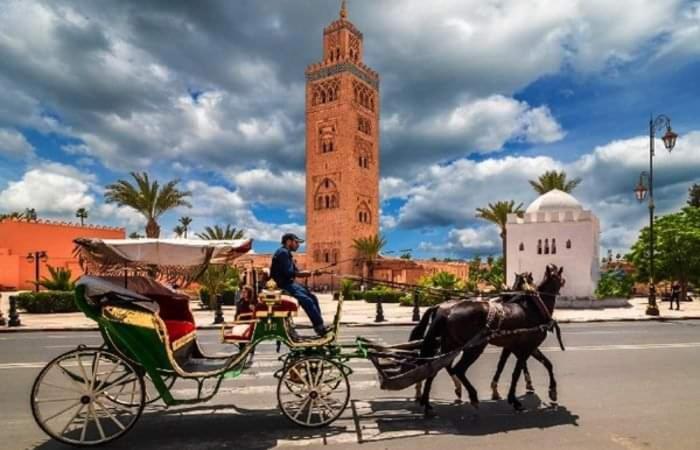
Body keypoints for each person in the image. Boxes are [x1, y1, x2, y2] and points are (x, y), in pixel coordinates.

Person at [270, 233, 329, 336]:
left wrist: (313, 272)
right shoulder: (282, 253)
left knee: (313, 297)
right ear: (289, 242)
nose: (298, 245)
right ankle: (319, 327)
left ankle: (319, 326)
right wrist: (311, 273)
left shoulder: (287, 254)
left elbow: (297, 272)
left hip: (290, 283)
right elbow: (290, 273)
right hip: (284, 285)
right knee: (308, 301)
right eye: (296, 242)